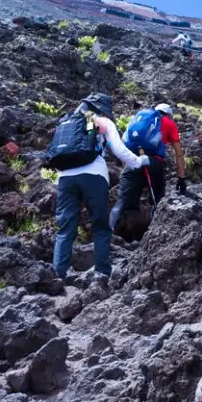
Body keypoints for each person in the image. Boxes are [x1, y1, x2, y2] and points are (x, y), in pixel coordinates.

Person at [51, 93, 149, 281]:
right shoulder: (101, 121)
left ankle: (58, 274)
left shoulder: (67, 121)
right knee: (100, 225)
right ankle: (102, 273)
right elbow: (119, 150)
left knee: (65, 228)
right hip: (94, 177)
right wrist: (139, 161)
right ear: (103, 109)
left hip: (65, 178)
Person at [109, 103, 187, 229]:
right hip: (154, 163)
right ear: (169, 115)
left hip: (133, 162)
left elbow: (124, 145)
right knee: (157, 202)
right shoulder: (169, 123)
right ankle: (156, 235)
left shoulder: (139, 119)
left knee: (122, 202)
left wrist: (127, 167)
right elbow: (178, 153)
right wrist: (181, 178)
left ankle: (111, 235)